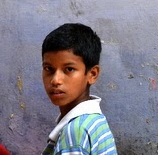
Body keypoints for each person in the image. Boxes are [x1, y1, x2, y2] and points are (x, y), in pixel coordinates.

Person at [41, 23, 117, 155]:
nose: (55, 80)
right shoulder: (93, 120)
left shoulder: (75, 133)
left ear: (92, 74)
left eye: (69, 69)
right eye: (49, 69)